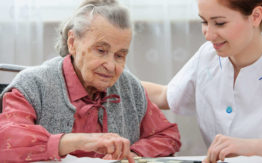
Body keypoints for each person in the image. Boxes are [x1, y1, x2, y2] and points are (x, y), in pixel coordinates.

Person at [0, 0, 181, 162]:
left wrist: (131, 154)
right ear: (72, 42)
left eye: (119, 55)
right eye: (101, 50)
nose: (111, 66)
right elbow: (6, 138)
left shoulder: (130, 87)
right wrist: (79, 141)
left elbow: (167, 135)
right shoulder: (33, 85)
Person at [142, 0, 262, 162]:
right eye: (204, 21)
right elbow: (164, 95)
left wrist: (249, 148)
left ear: (255, 16)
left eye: (220, 23)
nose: (208, 35)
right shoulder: (207, 56)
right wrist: (117, 79)